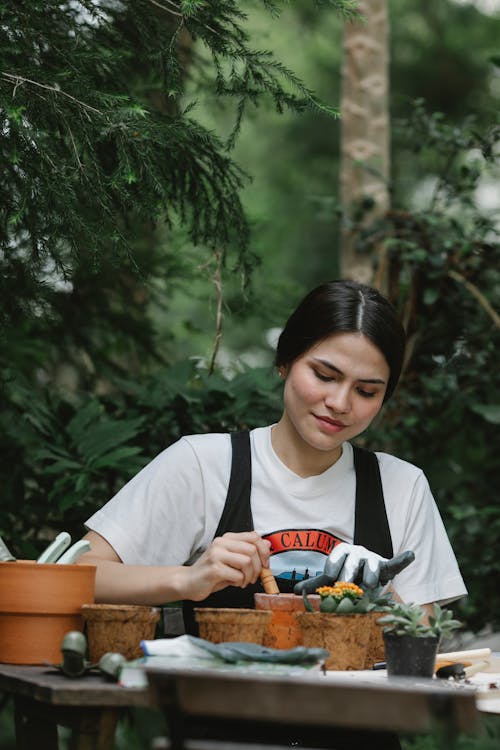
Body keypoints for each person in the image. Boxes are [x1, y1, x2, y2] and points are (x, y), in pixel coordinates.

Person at [80, 280, 467, 622]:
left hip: (356, 704)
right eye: (324, 375)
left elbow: (425, 636)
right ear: (285, 361)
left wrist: (382, 595)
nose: (339, 402)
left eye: (366, 391)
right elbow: (80, 571)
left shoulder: (401, 487)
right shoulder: (202, 465)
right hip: (222, 701)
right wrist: (190, 578)